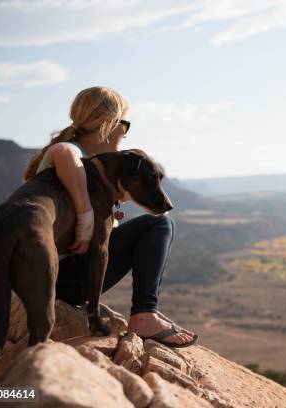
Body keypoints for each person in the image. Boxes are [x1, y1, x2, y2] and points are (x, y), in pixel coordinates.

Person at [23, 86, 197, 347]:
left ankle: (146, 312)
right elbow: (64, 153)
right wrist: (86, 216)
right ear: (108, 124)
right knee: (159, 223)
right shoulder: (72, 154)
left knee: (157, 223)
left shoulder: (92, 163)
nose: (125, 134)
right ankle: (145, 314)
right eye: (124, 125)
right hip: (58, 279)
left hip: (57, 275)